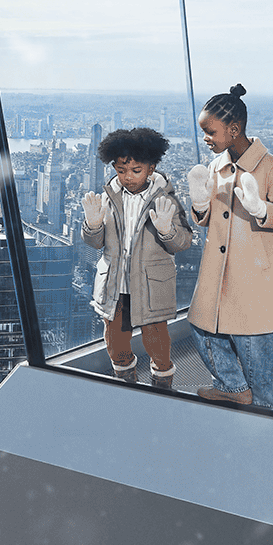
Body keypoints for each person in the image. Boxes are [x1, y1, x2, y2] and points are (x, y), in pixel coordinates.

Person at [184, 85, 273, 406]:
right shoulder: (215, 167)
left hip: (253, 275)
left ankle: (263, 407)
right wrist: (199, 203)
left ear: (233, 130)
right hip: (218, 273)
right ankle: (234, 389)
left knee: (253, 350)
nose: (205, 138)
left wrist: (261, 209)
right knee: (204, 328)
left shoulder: (270, 167)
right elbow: (206, 219)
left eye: (210, 132)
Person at [81, 127, 192, 389]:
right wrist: (93, 225)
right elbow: (95, 243)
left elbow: (183, 243)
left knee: (157, 344)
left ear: (151, 168)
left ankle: (162, 387)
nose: (128, 177)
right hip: (116, 285)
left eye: (136, 170)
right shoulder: (107, 199)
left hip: (150, 285)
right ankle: (125, 386)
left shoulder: (167, 200)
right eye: (121, 170)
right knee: (115, 342)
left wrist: (167, 230)